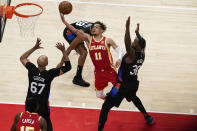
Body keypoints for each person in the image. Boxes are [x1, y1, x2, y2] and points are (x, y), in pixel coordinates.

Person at [98, 17, 154, 131]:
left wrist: (127, 28)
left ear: (138, 46)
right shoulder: (142, 53)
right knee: (133, 97)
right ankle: (147, 116)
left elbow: (127, 43)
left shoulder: (132, 54)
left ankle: (100, 129)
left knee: (106, 106)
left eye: (135, 41)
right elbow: (139, 44)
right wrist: (137, 33)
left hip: (121, 86)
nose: (133, 41)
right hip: (133, 83)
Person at [60, 13, 124, 100]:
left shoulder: (108, 40)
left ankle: (112, 99)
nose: (94, 28)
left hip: (110, 69)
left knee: (120, 88)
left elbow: (120, 51)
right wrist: (64, 21)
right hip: (98, 72)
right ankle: (109, 99)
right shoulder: (88, 38)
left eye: (97, 27)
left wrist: (119, 59)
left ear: (102, 30)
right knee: (99, 95)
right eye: (93, 27)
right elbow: (75, 30)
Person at [20, 38, 71, 131]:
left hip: (29, 102)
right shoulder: (50, 74)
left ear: (36, 62)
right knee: (46, 123)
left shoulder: (32, 69)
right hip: (42, 105)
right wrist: (64, 51)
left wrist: (34, 48)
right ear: (47, 63)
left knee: (29, 121)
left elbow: (22, 58)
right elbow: (68, 67)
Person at [62, 17, 93, 87]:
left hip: (79, 30)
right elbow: (69, 49)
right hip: (69, 32)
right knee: (84, 53)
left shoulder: (96, 29)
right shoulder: (82, 34)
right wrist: (61, 62)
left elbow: (90, 44)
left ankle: (78, 48)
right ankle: (77, 78)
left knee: (88, 47)